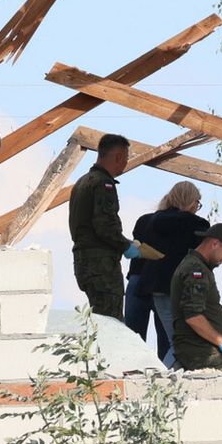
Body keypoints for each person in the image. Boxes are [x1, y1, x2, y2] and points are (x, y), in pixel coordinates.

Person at [130, 181, 209, 366]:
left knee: (138, 336)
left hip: (154, 287)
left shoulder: (153, 221)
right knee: (180, 341)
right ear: (191, 201)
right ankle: (163, 377)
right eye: (198, 202)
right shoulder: (198, 224)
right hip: (181, 290)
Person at [68, 133, 139, 319]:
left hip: (83, 261)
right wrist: (125, 246)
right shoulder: (103, 183)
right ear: (118, 157)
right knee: (110, 323)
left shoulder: (82, 182)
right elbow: (104, 225)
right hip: (101, 266)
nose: (125, 163)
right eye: (126, 158)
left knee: (98, 319)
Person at [169, 223, 222, 372]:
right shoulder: (196, 270)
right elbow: (193, 316)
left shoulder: (200, 267)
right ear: (215, 244)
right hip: (198, 350)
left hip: (204, 348)